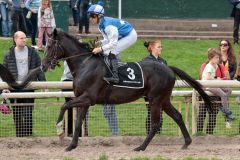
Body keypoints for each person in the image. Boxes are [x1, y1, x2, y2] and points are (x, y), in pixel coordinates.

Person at [2, 31, 46, 137]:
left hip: (29, 87)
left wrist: (44, 84)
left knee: (28, 113)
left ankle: (28, 135)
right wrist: (4, 87)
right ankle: (19, 137)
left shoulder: (32, 52)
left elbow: (38, 69)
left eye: (25, 38)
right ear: (15, 39)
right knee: (17, 114)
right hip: (14, 88)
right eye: (21, 38)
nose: (24, 40)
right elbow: (4, 72)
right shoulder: (9, 54)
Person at [87, 3, 137, 84]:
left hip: (130, 35)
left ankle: (115, 76)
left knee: (112, 51)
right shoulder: (100, 25)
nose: (90, 18)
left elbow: (113, 43)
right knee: (107, 51)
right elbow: (107, 39)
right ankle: (115, 67)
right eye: (89, 15)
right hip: (122, 35)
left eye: (92, 16)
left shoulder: (108, 26)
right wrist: (100, 42)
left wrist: (99, 49)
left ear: (99, 16)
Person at [201, 48, 236, 126]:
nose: (218, 59)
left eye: (218, 57)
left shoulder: (215, 65)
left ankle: (223, 106)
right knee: (223, 94)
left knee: (229, 90)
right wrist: (217, 78)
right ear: (211, 58)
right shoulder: (209, 66)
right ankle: (226, 111)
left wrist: (220, 78)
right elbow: (208, 78)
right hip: (208, 86)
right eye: (216, 58)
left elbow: (213, 77)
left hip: (213, 83)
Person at [142, 40, 166, 134]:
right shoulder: (145, 61)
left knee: (160, 113)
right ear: (152, 48)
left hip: (161, 92)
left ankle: (158, 132)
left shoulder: (163, 61)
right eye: (159, 47)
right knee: (151, 112)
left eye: (161, 46)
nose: (161, 48)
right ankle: (150, 133)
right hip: (150, 93)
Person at [61, 61, 88, 136]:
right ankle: (69, 131)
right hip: (68, 81)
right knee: (71, 108)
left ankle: (81, 132)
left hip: (81, 82)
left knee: (83, 108)